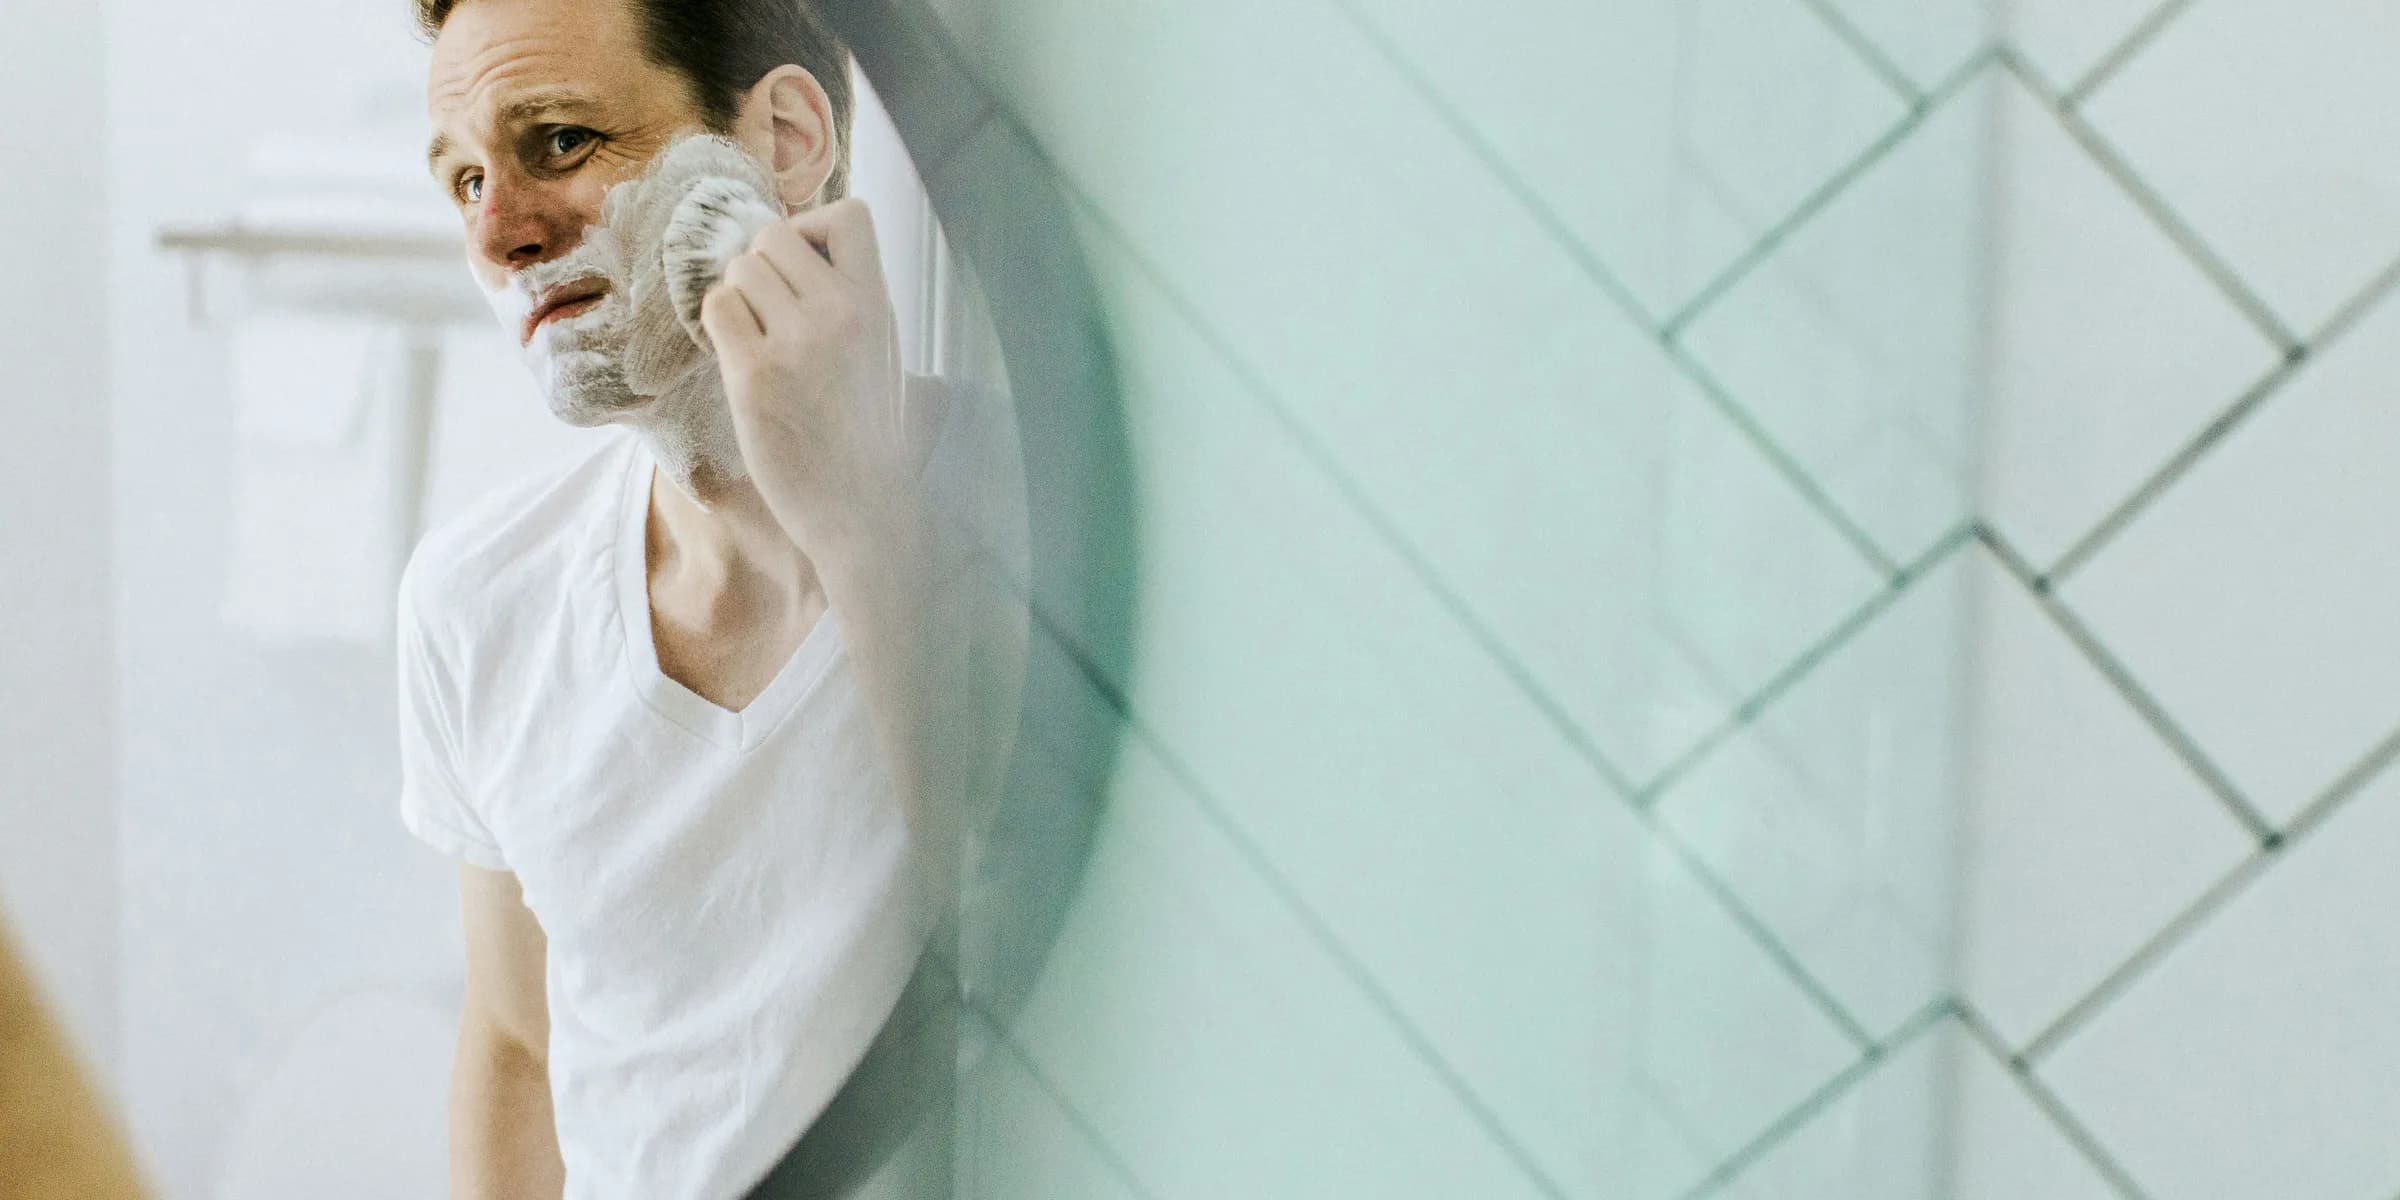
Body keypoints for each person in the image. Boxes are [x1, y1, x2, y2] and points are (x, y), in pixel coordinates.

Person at [399, 0, 1024, 1196]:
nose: (499, 237)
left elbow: (1026, 916)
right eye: (466, 178)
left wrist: (854, 512)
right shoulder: (478, 601)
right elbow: (519, 1046)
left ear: (785, 141)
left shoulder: (1035, 514)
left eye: (561, 141)